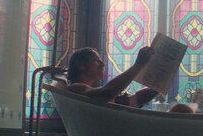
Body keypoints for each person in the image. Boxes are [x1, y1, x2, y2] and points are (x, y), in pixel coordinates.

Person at [63, 46, 193, 113]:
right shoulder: (75, 89)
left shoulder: (93, 92)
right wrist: (138, 65)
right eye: (96, 61)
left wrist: (158, 83)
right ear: (80, 65)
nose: (103, 64)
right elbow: (107, 93)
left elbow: (134, 101)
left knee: (181, 110)